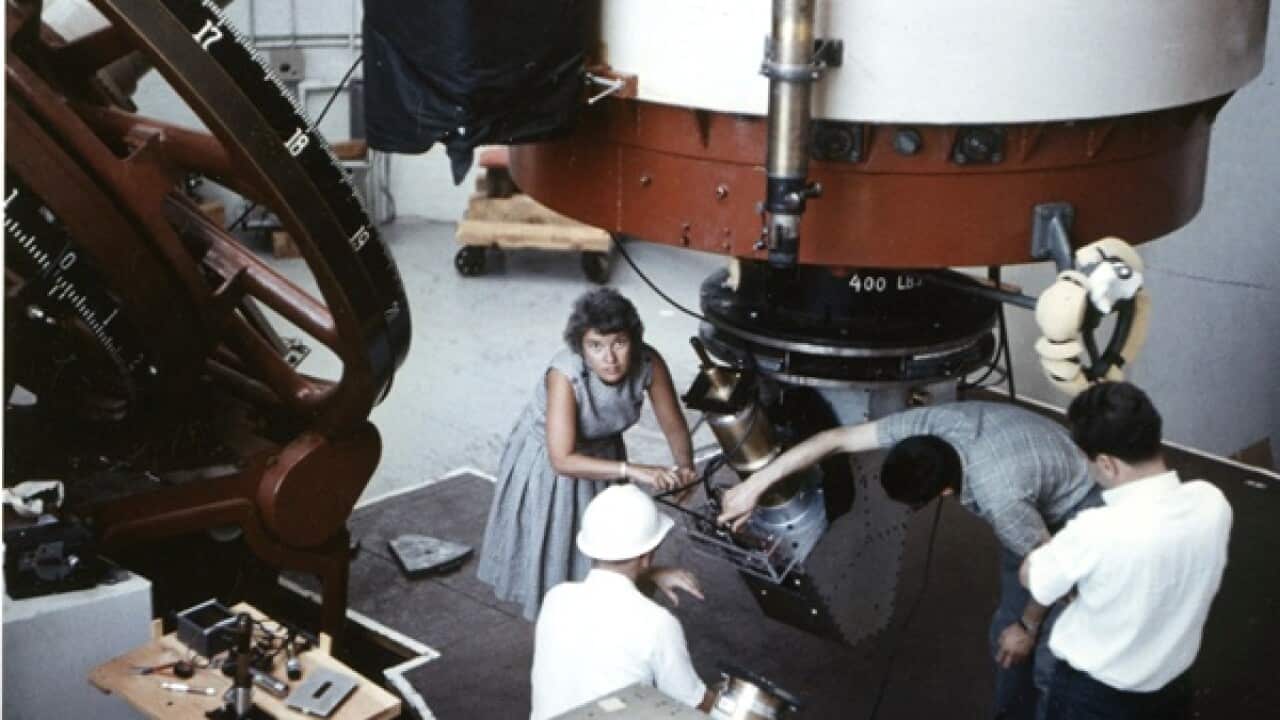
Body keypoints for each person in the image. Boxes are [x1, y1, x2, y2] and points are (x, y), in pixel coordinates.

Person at [717, 401, 1101, 719]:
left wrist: (1028, 627)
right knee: (1005, 631)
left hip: (1079, 505)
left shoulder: (1001, 498)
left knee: (1056, 653)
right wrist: (755, 484)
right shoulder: (931, 424)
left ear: (946, 492)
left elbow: (1051, 570)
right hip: (1038, 466)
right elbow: (836, 440)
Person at [477, 288, 697, 620]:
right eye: (596, 346)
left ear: (634, 341)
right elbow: (562, 459)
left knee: (609, 549)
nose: (609, 358)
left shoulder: (648, 362)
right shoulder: (564, 373)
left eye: (619, 343)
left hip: (605, 452)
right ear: (581, 346)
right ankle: (562, 628)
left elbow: (674, 424)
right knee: (556, 553)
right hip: (552, 464)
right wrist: (635, 470)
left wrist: (686, 468)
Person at [1019, 382, 1231, 720]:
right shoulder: (1212, 501)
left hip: (1095, 697)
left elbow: (1034, 578)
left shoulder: (1095, 529)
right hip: (1172, 687)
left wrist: (1047, 550)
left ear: (1106, 464)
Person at [530, 484, 713, 720]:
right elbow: (694, 703)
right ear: (647, 555)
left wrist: (649, 573)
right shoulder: (657, 624)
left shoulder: (556, 598)